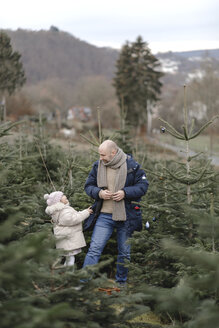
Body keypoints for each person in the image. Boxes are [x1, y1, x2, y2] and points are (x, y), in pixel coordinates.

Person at [83, 140, 149, 284]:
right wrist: (99, 193)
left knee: (124, 252)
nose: (101, 158)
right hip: (104, 217)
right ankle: (83, 283)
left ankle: (121, 284)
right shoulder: (98, 166)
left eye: (103, 155)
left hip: (125, 217)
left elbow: (143, 186)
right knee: (94, 249)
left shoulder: (132, 166)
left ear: (113, 153)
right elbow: (88, 186)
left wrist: (125, 193)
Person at [44, 191, 93, 266]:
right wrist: (86, 212)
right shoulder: (63, 211)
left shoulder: (60, 210)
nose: (64, 195)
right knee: (70, 258)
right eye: (62, 196)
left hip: (66, 238)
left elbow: (75, 215)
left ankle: (66, 272)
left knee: (69, 258)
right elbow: (74, 219)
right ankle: (68, 274)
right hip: (68, 238)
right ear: (59, 201)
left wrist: (84, 211)